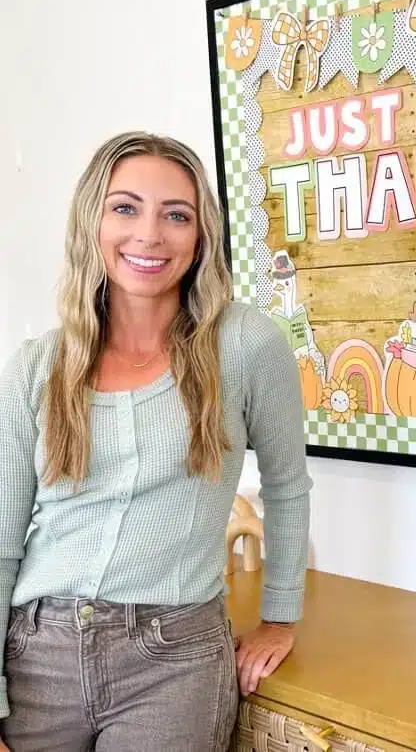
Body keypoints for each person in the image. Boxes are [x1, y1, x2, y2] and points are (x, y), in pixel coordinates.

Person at [0, 132, 313, 751]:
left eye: (176, 215)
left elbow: (286, 485)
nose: (150, 235)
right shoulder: (38, 366)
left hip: (174, 661)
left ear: (201, 238)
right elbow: (3, 541)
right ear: (93, 221)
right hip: (39, 653)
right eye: (125, 207)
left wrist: (280, 616)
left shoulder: (247, 345)